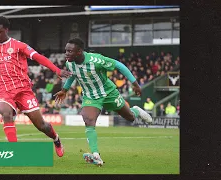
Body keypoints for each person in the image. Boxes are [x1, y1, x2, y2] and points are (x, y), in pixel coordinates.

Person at [0, 16, 71, 157]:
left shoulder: (19, 46)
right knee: (6, 113)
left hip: (24, 91)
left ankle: (56, 139)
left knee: (42, 125)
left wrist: (57, 70)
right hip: (3, 91)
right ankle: (15, 153)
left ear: (6, 30)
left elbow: (38, 57)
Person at [54, 38, 153, 166]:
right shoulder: (70, 63)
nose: (66, 53)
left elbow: (119, 65)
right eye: (66, 50)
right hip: (91, 96)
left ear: (79, 52)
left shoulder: (96, 60)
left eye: (70, 51)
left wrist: (134, 83)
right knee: (88, 119)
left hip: (108, 93)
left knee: (130, 117)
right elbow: (73, 75)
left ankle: (136, 111)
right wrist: (65, 90)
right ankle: (96, 154)